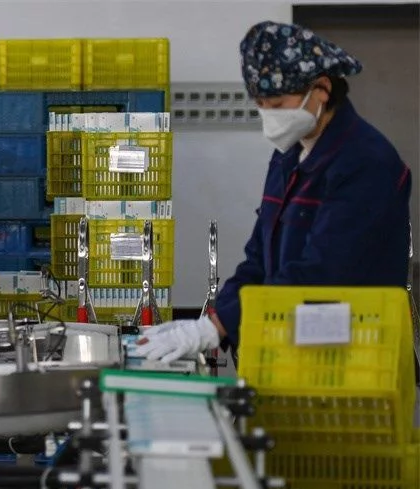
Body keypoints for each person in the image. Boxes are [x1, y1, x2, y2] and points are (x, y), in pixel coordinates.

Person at [135, 21, 412, 363]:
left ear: (322, 89)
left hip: (354, 355)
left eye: (278, 105)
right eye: (261, 104)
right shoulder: (289, 156)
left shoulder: (365, 162)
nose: (269, 116)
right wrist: (210, 321)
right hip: (294, 345)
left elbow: (321, 273)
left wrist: (219, 326)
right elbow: (258, 259)